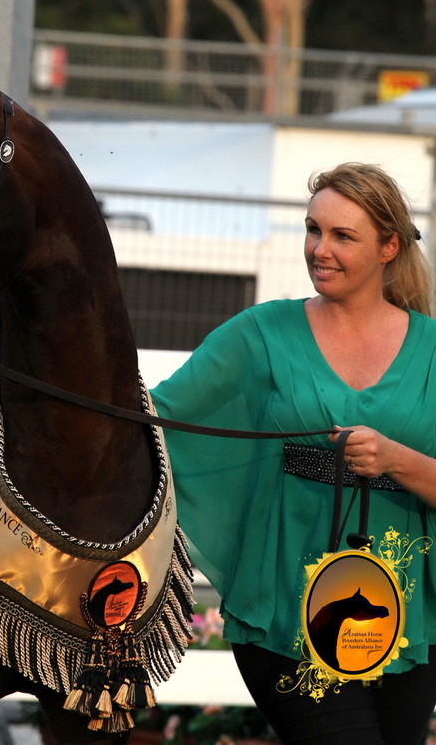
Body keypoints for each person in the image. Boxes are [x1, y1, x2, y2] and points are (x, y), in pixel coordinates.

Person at [151, 163, 436, 745]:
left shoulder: (433, 350)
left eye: (341, 236)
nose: (319, 249)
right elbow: (155, 421)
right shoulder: (261, 332)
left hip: (409, 619)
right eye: (313, 230)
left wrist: (392, 458)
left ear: (389, 247)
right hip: (285, 610)